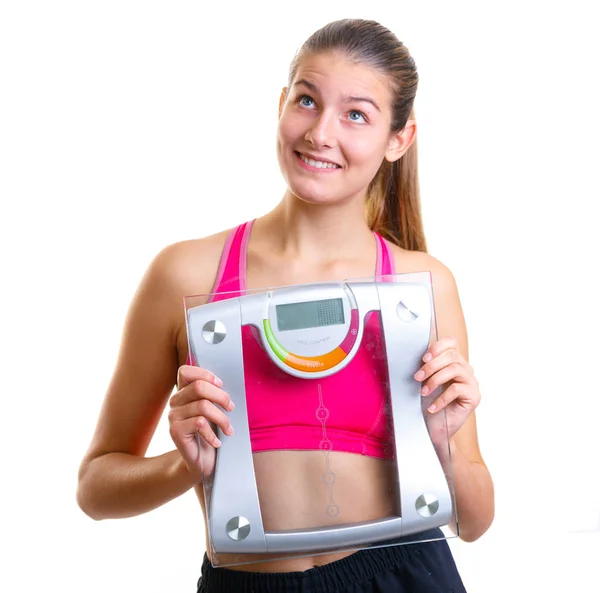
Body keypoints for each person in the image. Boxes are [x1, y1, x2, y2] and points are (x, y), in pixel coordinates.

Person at [77, 17, 494, 592]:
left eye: (356, 114)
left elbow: (474, 522)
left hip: (404, 574)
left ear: (399, 139)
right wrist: (185, 467)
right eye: (307, 100)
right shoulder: (185, 275)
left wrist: (444, 443)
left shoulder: (422, 286)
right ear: (282, 104)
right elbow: (96, 489)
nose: (321, 133)